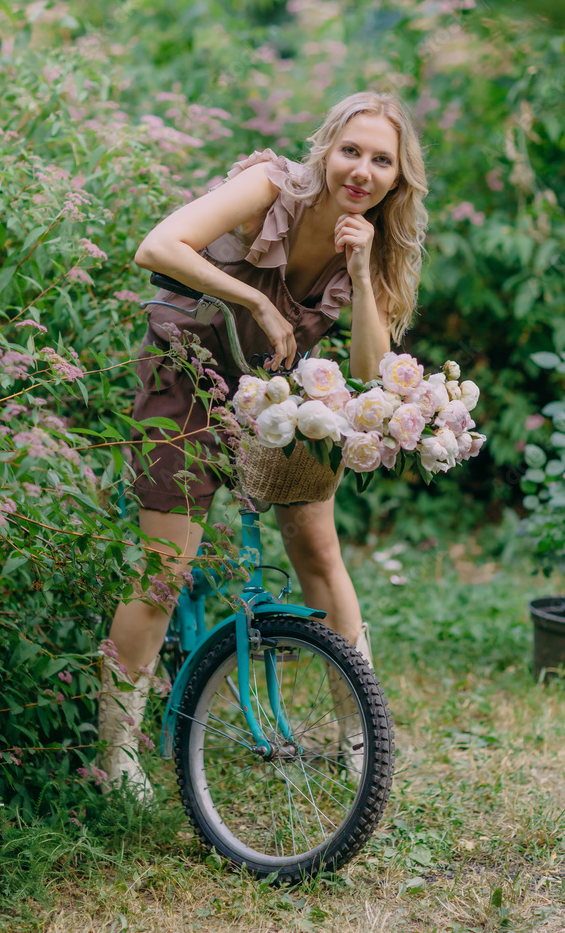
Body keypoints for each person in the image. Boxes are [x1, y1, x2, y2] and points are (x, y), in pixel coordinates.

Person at [96, 90, 429, 799]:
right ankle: (115, 758)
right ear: (326, 149)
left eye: (381, 161)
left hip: (271, 396)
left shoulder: (374, 242)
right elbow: (156, 246)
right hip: (186, 379)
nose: (361, 171)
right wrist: (254, 300)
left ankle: (360, 735)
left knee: (317, 546)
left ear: (398, 177)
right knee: (165, 569)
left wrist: (361, 273)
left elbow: (372, 374)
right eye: (351, 151)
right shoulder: (271, 187)